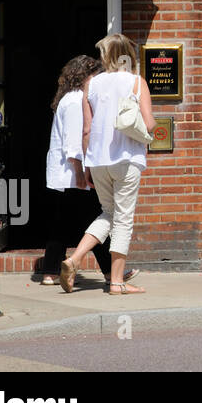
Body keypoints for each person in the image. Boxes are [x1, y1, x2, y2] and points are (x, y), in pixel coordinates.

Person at [61, 34, 156, 295]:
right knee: (123, 220)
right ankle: (116, 282)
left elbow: (86, 130)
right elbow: (148, 124)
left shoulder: (91, 85)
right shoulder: (137, 83)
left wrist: (87, 167)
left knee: (109, 213)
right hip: (126, 159)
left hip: (98, 160)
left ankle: (75, 258)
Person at [38, 54, 135, 289]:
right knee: (98, 218)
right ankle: (110, 273)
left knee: (63, 223)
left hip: (69, 173)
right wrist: (82, 174)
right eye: (95, 76)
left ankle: (51, 271)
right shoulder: (74, 101)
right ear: (85, 76)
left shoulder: (69, 98)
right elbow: (73, 142)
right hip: (73, 172)